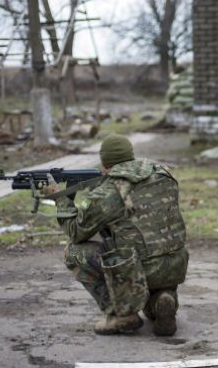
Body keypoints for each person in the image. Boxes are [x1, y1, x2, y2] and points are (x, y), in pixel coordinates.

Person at [43, 134, 189, 336]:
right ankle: (163, 300)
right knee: (145, 247)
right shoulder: (163, 173)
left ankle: (121, 315)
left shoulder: (107, 192)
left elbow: (75, 232)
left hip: (136, 270)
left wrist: (59, 198)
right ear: (130, 155)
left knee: (73, 252)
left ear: (104, 163)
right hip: (174, 265)